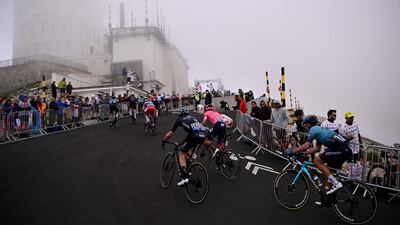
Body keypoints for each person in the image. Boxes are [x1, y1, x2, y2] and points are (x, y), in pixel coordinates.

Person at [285, 115, 352, 196]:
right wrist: (305, 153)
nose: (305, 128)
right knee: (328, 172)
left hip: (340, 150)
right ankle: (328, 196)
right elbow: (317, 148)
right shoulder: (319, 130)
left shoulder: (313, 129)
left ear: (308, 124)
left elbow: (306, 146)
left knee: (316, 160)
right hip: (344, 150)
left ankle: (336, 184)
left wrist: (293, 150)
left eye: (305, 126)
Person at [162, 108, 207, 186]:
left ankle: (184, 177)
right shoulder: (193, 118)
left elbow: (170, 133)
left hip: (194, 135)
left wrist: (163, 140)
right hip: (202, 134)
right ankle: (189, 168)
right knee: (187, 152)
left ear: (180, 115)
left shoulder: (179, 119)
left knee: (181, 153)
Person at [339, 112, 363, 180]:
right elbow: (341, 141)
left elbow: (358, 134)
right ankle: (351, 181)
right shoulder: (343, 128)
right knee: (352, 166)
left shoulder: (355, 123)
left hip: (357, 148)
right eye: (349, 118)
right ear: (346, 118)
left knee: (358, 165)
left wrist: (361, 145)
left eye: (352, 117)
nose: (351, 119)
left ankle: (358, 180)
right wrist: (348, 139)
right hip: (350, 150)